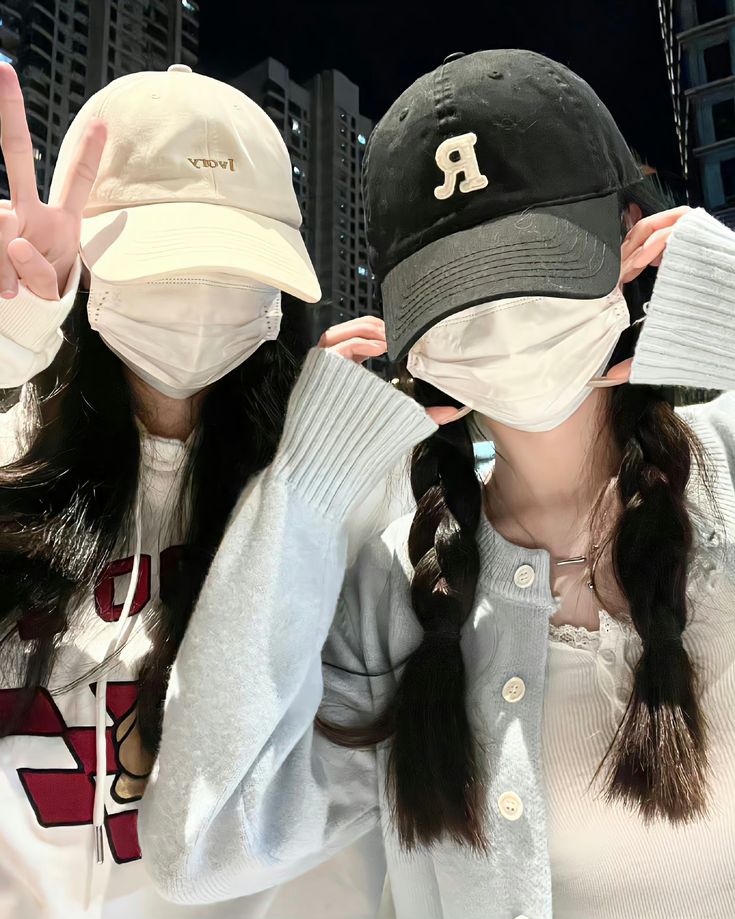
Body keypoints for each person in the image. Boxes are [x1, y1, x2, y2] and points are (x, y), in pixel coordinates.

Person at [140, 50, 735, 919]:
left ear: (635, 239)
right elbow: (196, 846)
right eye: (458, 294)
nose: (498, 318)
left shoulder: (721, 471)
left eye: (531, 263)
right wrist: (303, 490)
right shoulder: (406, 587)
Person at [0, 61, 397, 919]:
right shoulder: (8, 459)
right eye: (164, 263)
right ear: (79, 266)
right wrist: (7, 362)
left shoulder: (336, 489)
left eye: (228, 268)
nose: (196, 301)